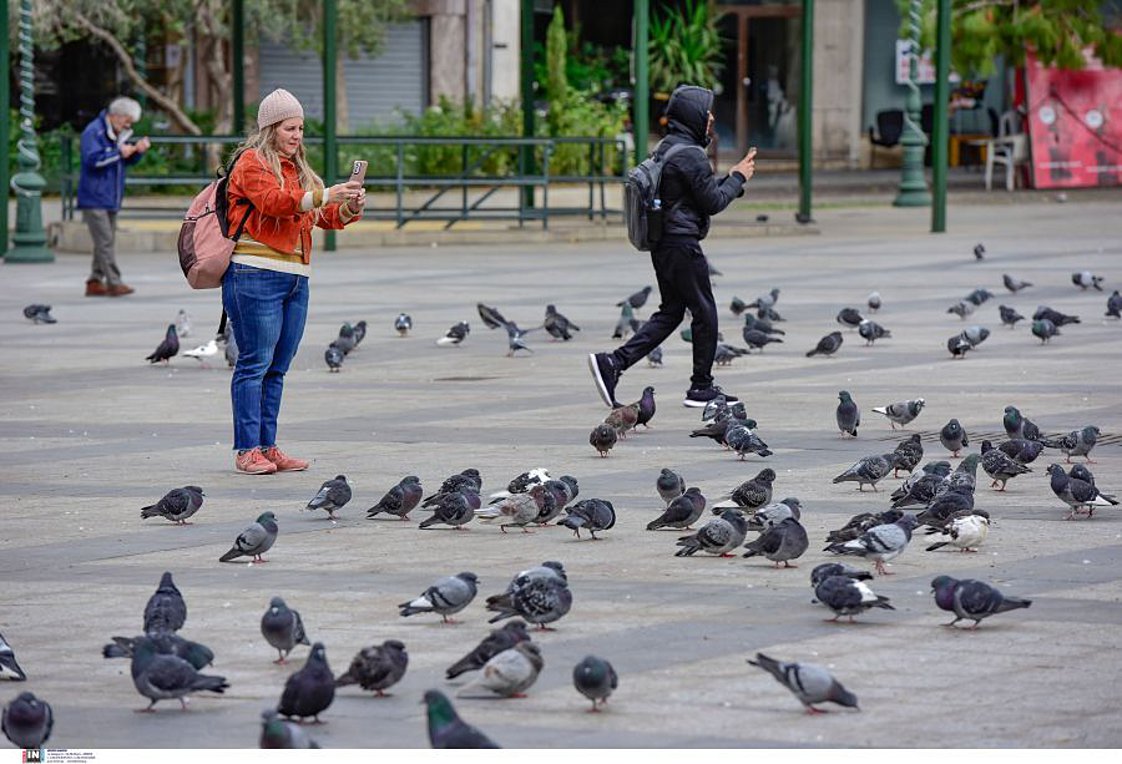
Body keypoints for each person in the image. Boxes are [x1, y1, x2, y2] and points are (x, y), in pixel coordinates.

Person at [222, 88, 366, 475]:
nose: (297, 135)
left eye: (301, 128)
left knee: (278, 367)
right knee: (254, 363)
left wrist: (348, 207)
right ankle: (246, 449)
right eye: (289, 127)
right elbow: (274, 202)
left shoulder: (298, 170)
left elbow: (317, 216)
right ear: (270, 128)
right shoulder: (251, 163)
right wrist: (323, 194)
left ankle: (267, 447)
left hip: (295, 278)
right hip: (254, 273)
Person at [589, 85, 756, 409]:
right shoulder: (691, 155)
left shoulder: (668, 147)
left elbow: (698, 194)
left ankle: (613, 364)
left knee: (671, 311)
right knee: (705, 312)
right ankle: (701, 388)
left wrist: (732, 177)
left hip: (664, 242)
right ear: (692, 114)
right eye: (706, 111)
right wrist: (738, 178)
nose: (710, 118)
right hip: (681, 244)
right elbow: (713, 202)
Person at [77, 96, 151, 296]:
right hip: (94, 196)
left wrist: (136, 152)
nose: (129, 125)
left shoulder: (116, 132)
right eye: (127, 120)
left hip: (110, 196)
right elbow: (93, 160)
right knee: (105, 241)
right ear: (117, 116)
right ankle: (114, 282)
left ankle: (94, 281)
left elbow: (122, 162)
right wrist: (119, 153)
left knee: (104, 240)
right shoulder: (94, 131)